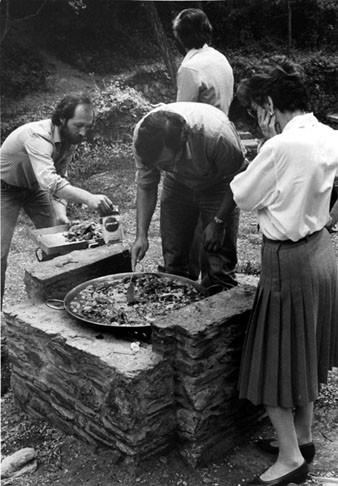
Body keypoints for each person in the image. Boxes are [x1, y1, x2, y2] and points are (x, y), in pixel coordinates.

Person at [221, 58, 338, 485]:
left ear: (269, 105)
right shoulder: (330, 135)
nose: (258, 121)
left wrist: (262, 158)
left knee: (272, 364)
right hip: (322, 254)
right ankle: (303, 439)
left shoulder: (280, 147)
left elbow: (243, 196)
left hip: (288, 262)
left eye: (257, 113)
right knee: (304, 356)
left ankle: (291, 460)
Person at [0, 93, 115, 307]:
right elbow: (49, 180)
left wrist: (61, 213)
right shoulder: (38, 136)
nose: (83, 132)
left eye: (88, 127)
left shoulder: (70, 139)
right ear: (62, 119)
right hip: (4, 188)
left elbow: (61, 176)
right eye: (79, 125)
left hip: (34, 188)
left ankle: (54, 298)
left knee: (59, 242)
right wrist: (89, 198)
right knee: (0, 254)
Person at [130, 102, 245, 293]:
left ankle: (219, 311)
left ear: (183, 144)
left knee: (217, 262)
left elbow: (239, 179)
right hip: (177, 185)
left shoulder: (217, 136)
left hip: (219, 185)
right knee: (174, 258)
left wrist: (219, 222)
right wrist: (141, 235)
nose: (163, 167)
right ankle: (175, 308)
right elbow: (146, 185)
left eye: (165, 162)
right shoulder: (143, 138)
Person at [172, 8, 235, 280]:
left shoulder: (190, 67)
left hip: (198, 149)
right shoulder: (219, 58)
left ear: (180, 36)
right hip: (221, 137)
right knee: (215, 253)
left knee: (187, 243)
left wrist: (168, 112)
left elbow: (182, 118)